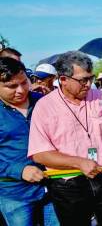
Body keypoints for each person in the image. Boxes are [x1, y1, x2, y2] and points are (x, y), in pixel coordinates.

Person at [28, 51, 102, 226]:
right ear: (63, 79)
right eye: (82, 80)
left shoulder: (100, 97)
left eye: (90, 78)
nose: (88, 84)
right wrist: (79, 163)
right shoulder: (44, 107)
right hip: (68, 184)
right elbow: (40, 154)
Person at [0, 57, 59, 226]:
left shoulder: (43, 101)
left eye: (24, 82)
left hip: (52, 187)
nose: (20, 90)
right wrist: (19, 170)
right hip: (15, 195)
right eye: (11, 86)